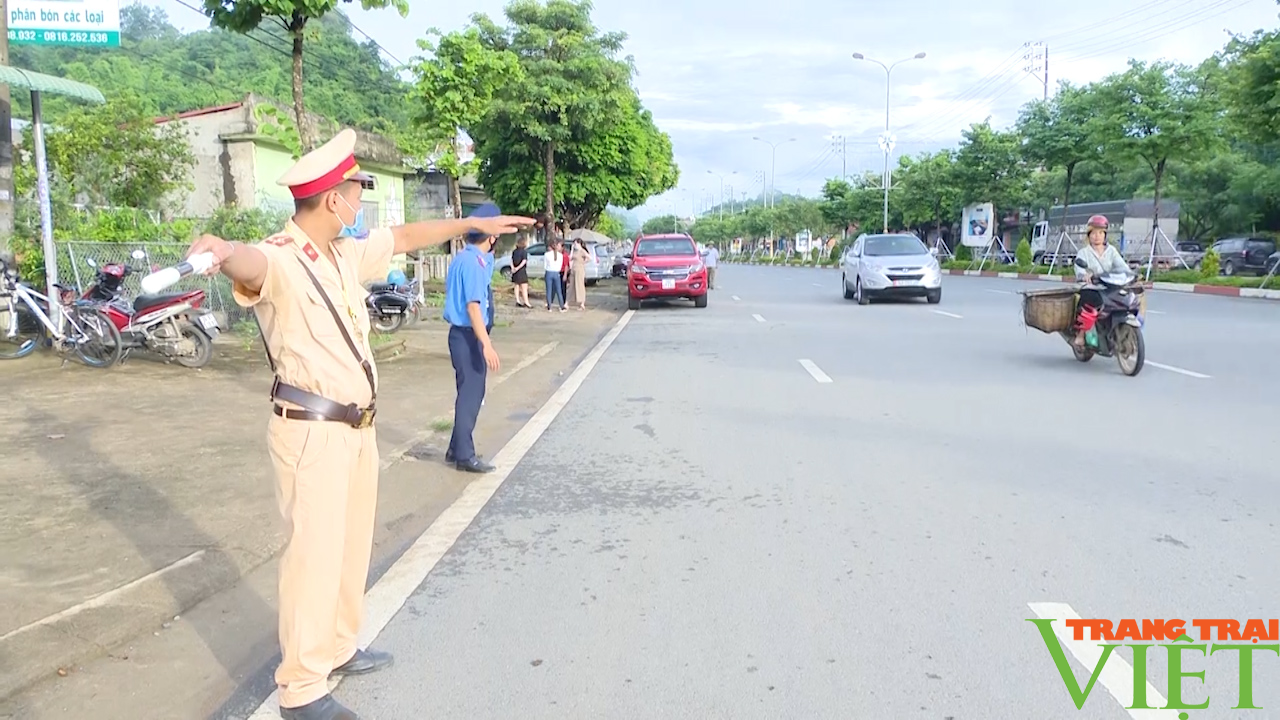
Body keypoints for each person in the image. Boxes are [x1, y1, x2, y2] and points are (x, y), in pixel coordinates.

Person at [183, 129, 533, 720]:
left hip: (356, 429)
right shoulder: (282, 259)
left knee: (348, 550)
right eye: (354, 193)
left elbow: (402, 237)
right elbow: (248, 262)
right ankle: (300, 687)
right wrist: (220, 247)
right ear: (330, 200)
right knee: (312, 555)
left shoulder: (343, 253)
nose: (359, 204)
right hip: (311, 431)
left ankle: (338, 646)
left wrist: (468, 228)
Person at [443, 203, 506, 474]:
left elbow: (487, 261)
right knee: (472, 393)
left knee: (467, 392)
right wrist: (487, 345)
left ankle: (456, 447)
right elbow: (473, 308)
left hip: (464, 336)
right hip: (469, 336)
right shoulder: (472, 264)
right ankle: (464, 456)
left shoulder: (469, 258)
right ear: (491, 236)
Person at [1072, 214, 1129, 349]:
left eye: (1100, 233)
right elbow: (1079, 269)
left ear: (1105, 235)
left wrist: (1131, 274)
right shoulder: (1084, 253)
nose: (1097, 236)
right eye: (1093, 233)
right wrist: (1084, 275)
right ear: (1089, 235)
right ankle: (1080, 334)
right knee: (1090, 302)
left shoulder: (1111, 251)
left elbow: (1122, 266)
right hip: (1091, 288)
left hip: (1109, 286)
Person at [544, 240, 566, 312]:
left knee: (549, 290)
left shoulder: (547, 254)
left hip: (549, 272)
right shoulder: (560, 255)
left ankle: (549, 306)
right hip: (557, 273)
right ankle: (562, 306)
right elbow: (560, 265)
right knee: (559, 290)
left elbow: (545, 265)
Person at [570, 238, 590, 310]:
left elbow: (589, 257)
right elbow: (570, 258)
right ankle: (569, 301)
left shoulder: (582, 251)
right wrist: (572, 249)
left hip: (580, 269)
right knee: (572, 285)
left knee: (580, 285)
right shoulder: (575, 251)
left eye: (575, 244)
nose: (575, 245)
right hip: (573, 268)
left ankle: (582, 303)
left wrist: (583, 262)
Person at [511, 235, 530, 308]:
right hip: (521, 271)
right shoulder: (524, 252)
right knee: (524, 287)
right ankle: (526, 302)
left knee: (516, 286)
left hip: (515, 271)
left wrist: (513, 268)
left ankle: (517, 301)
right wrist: (518, 268)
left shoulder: (514, 251)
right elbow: (524, 261)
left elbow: (511, 260)